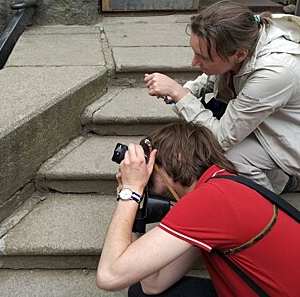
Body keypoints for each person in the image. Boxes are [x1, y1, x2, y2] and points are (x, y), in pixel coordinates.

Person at [96, 120, 300, 296]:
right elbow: (152, 285)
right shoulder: (223, 184)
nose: (145, 172)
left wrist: (130, 191)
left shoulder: (209, 201)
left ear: (177, 157)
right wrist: (138, 209)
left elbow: (109, 276)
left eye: (151, 163)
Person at [144, 0, 300, 194]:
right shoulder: (245, 36)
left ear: (240, 54)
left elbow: (220, 139)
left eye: (203, 57)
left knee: (229, 155)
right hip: (269, 126)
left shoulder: (276, 71)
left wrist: (180, 94)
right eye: (194, 52)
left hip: (293, 139)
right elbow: (217, 74)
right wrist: (190, 90)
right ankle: (284, 183)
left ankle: (267, 210)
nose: (193, 62)